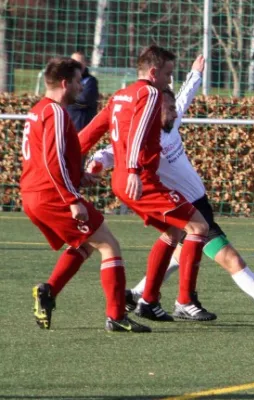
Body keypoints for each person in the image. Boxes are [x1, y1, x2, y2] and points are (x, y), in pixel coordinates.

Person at [87, 53, 254, 323]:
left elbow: (184, 98)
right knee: (231, 260)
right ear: (152, 111)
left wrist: (196, 74)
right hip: (185, 207)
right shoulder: (142, 139)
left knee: (176, 249)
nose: (175, 112)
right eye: (168, 108)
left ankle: (140, 296)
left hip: (196, 205)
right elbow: (110, 152)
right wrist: (95, 164)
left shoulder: (169, 124)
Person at [78, 45, 213, 323]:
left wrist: (74, 162)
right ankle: (185, 300)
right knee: (198, 226)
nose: (169, 81)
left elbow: (91, 131)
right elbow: (139, 132)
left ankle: (149, 301)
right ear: (153, 73)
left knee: (174, 233)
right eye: (167, 74)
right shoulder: (149, 92)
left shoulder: (119, 96)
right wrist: (133, 171)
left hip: (125, 181)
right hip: (140, 180)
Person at [20, 57, 150, 333]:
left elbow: (52, 159)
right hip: (51, 195)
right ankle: (116, 316)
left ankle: (49, 291)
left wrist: (80, 178)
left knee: (86, 243)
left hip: (35, 193)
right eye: (79, 81)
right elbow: (51, 162)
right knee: (109, 245)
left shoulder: (38, 110)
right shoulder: (54, 112)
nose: (82, 86)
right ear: (65, 83)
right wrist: (72, 199)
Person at [66, 52, 99, 131]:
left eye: (79, 63)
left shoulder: (90, 81)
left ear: (85, 64)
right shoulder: (66, 80)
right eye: (74, 63)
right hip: (67, 125)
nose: (76, 66)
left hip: (82, 127)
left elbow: (84, 99)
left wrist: (67, 98)